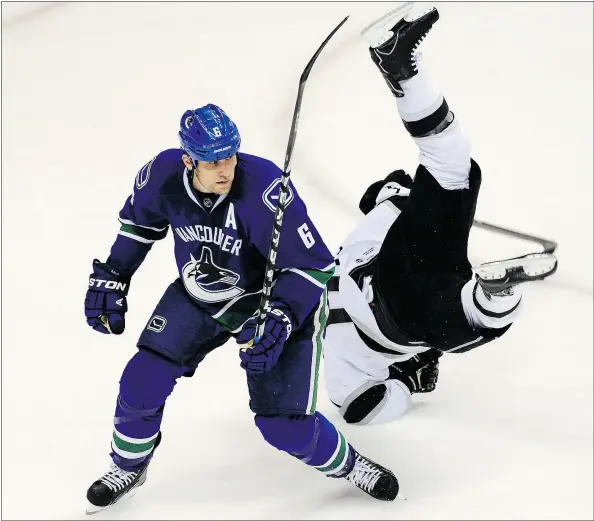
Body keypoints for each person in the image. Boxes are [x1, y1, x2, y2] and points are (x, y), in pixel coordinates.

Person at [84, 104, 399, 513]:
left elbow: (313, 267)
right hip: (201, 295)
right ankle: (128, 465)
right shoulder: (160, 176)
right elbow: (139, 227)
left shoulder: (265, 188)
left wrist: (282, 318)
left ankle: (352, 466)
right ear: (188, 159)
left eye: (230, 156)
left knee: (282, 426)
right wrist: (114, 273)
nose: (224, 169)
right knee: (140, 381)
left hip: (274, 303)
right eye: (212, 161)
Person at [323, 3, 558, 426]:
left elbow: (359, 408)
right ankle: (402, 68)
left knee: (440, 316)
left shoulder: (339, 347)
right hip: (408, 247)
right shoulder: (363, 230)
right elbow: (388, 195)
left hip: (389, 303)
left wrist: (404, 385)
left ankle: (495, 297)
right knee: (452, 162)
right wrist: (391, 194)